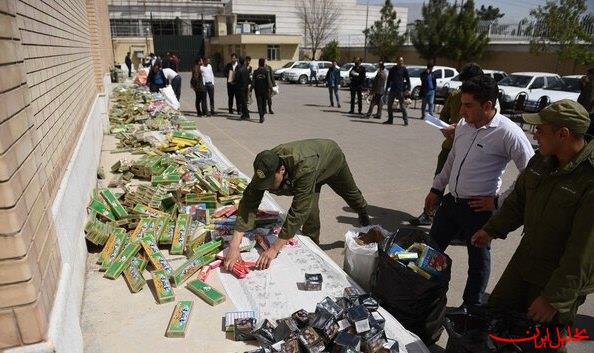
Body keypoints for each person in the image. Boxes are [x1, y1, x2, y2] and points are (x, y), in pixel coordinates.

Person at [472, 100, 594, 341]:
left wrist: (553, 299)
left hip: (559, 274)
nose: (535, 134)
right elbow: (518, 202)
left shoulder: (589, 179)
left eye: (541, 130)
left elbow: (583, 252)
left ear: (563, 134)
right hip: (526, 258)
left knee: (542, 340)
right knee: (496, 316)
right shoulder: (541, 161)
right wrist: (492, 230)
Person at [424, 75, 534, 310]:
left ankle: (470, 308)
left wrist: (498, 201)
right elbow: (452, 159)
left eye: (467, 105)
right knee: (431, 251)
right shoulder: (464, 126)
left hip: (478, 209)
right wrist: (436, 187)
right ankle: (422, 293)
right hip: (451, 203)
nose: (461, 111)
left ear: (488, 106)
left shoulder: (508, 133)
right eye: (462, 103)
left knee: (478, 262)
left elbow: (530, 172)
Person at [224, 139, 371, 270]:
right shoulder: (266, 164)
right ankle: (314, 250)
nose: (268, 187)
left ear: (281, 170)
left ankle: (363, 212)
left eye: (270, 182)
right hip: (310, 172)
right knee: (310, 216)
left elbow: (298, 210)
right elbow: (249, 202)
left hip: (332, 161)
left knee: (352, 196)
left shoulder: (303, 166)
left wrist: (274, 249)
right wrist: (234, 245)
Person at [410, 63, 484, 226]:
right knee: (439, 180)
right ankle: (429, 214)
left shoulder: (487, 101)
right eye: (464, 82)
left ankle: (460, 225)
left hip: (472, 152)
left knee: (464, 189)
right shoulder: (456, 95)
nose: (466, 86)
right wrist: (445, 127)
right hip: (450, 147)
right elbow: (443, 116)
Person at [383, 56, 411, 125]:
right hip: (393, 89)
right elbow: (389, 79)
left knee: (402, 106)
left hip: (400, 90)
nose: (401, 62)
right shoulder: (393, 69)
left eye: (402, 61)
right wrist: (386, 89)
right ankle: (390, 120)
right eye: (400, 61)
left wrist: (408, 89)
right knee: (389, 105)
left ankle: (406, 120)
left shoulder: (404, 69)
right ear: (397, 61)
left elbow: (408, 80)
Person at [577, 68, 594, 136]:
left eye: (588, 74)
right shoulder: (587, 83)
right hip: (583, 108)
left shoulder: (591, 85)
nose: (587, 76)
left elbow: (589, 99)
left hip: (588, 111)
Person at [253, 58, 270, 123]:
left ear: (259, 63)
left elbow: (253, 82)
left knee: (259, 103)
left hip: (257, 90)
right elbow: (268, 81)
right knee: (263, 102)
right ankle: (263, 113)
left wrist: (251, 89)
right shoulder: (266, 71)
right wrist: (270, 89)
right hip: (264, 90)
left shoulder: (255, 72)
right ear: (263, 63)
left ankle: (261, 116)